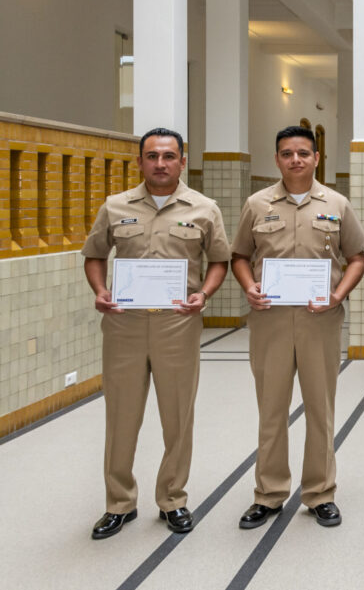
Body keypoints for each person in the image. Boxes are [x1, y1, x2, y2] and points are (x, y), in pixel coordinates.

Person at [83, 127, 230, 539]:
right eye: (152, 156)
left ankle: (172, 500)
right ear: (140, 161)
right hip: (124, 325)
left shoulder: (204, 208)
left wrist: (203, 294)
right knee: (121, 417)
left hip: (177, 324)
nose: (160, 164)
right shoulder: (115, 206)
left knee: (177, 416)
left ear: (183, 160)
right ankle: (119, 503)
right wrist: (100, 290)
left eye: (169, 156)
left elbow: (219, 260)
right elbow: (94, 254)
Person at [231, 126, 364, 530]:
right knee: (271, 410)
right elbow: (239, 255)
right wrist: (249, 286)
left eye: (303, 153)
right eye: (287, 153)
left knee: (320, 409)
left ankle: (320, 493)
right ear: (277, 159)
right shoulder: (257, 204)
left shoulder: (337, 204)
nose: (295, 160)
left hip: (319, 321)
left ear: (316, 158)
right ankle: (269, 494)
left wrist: (337, 294)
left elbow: (357, 257)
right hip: (270, 321)